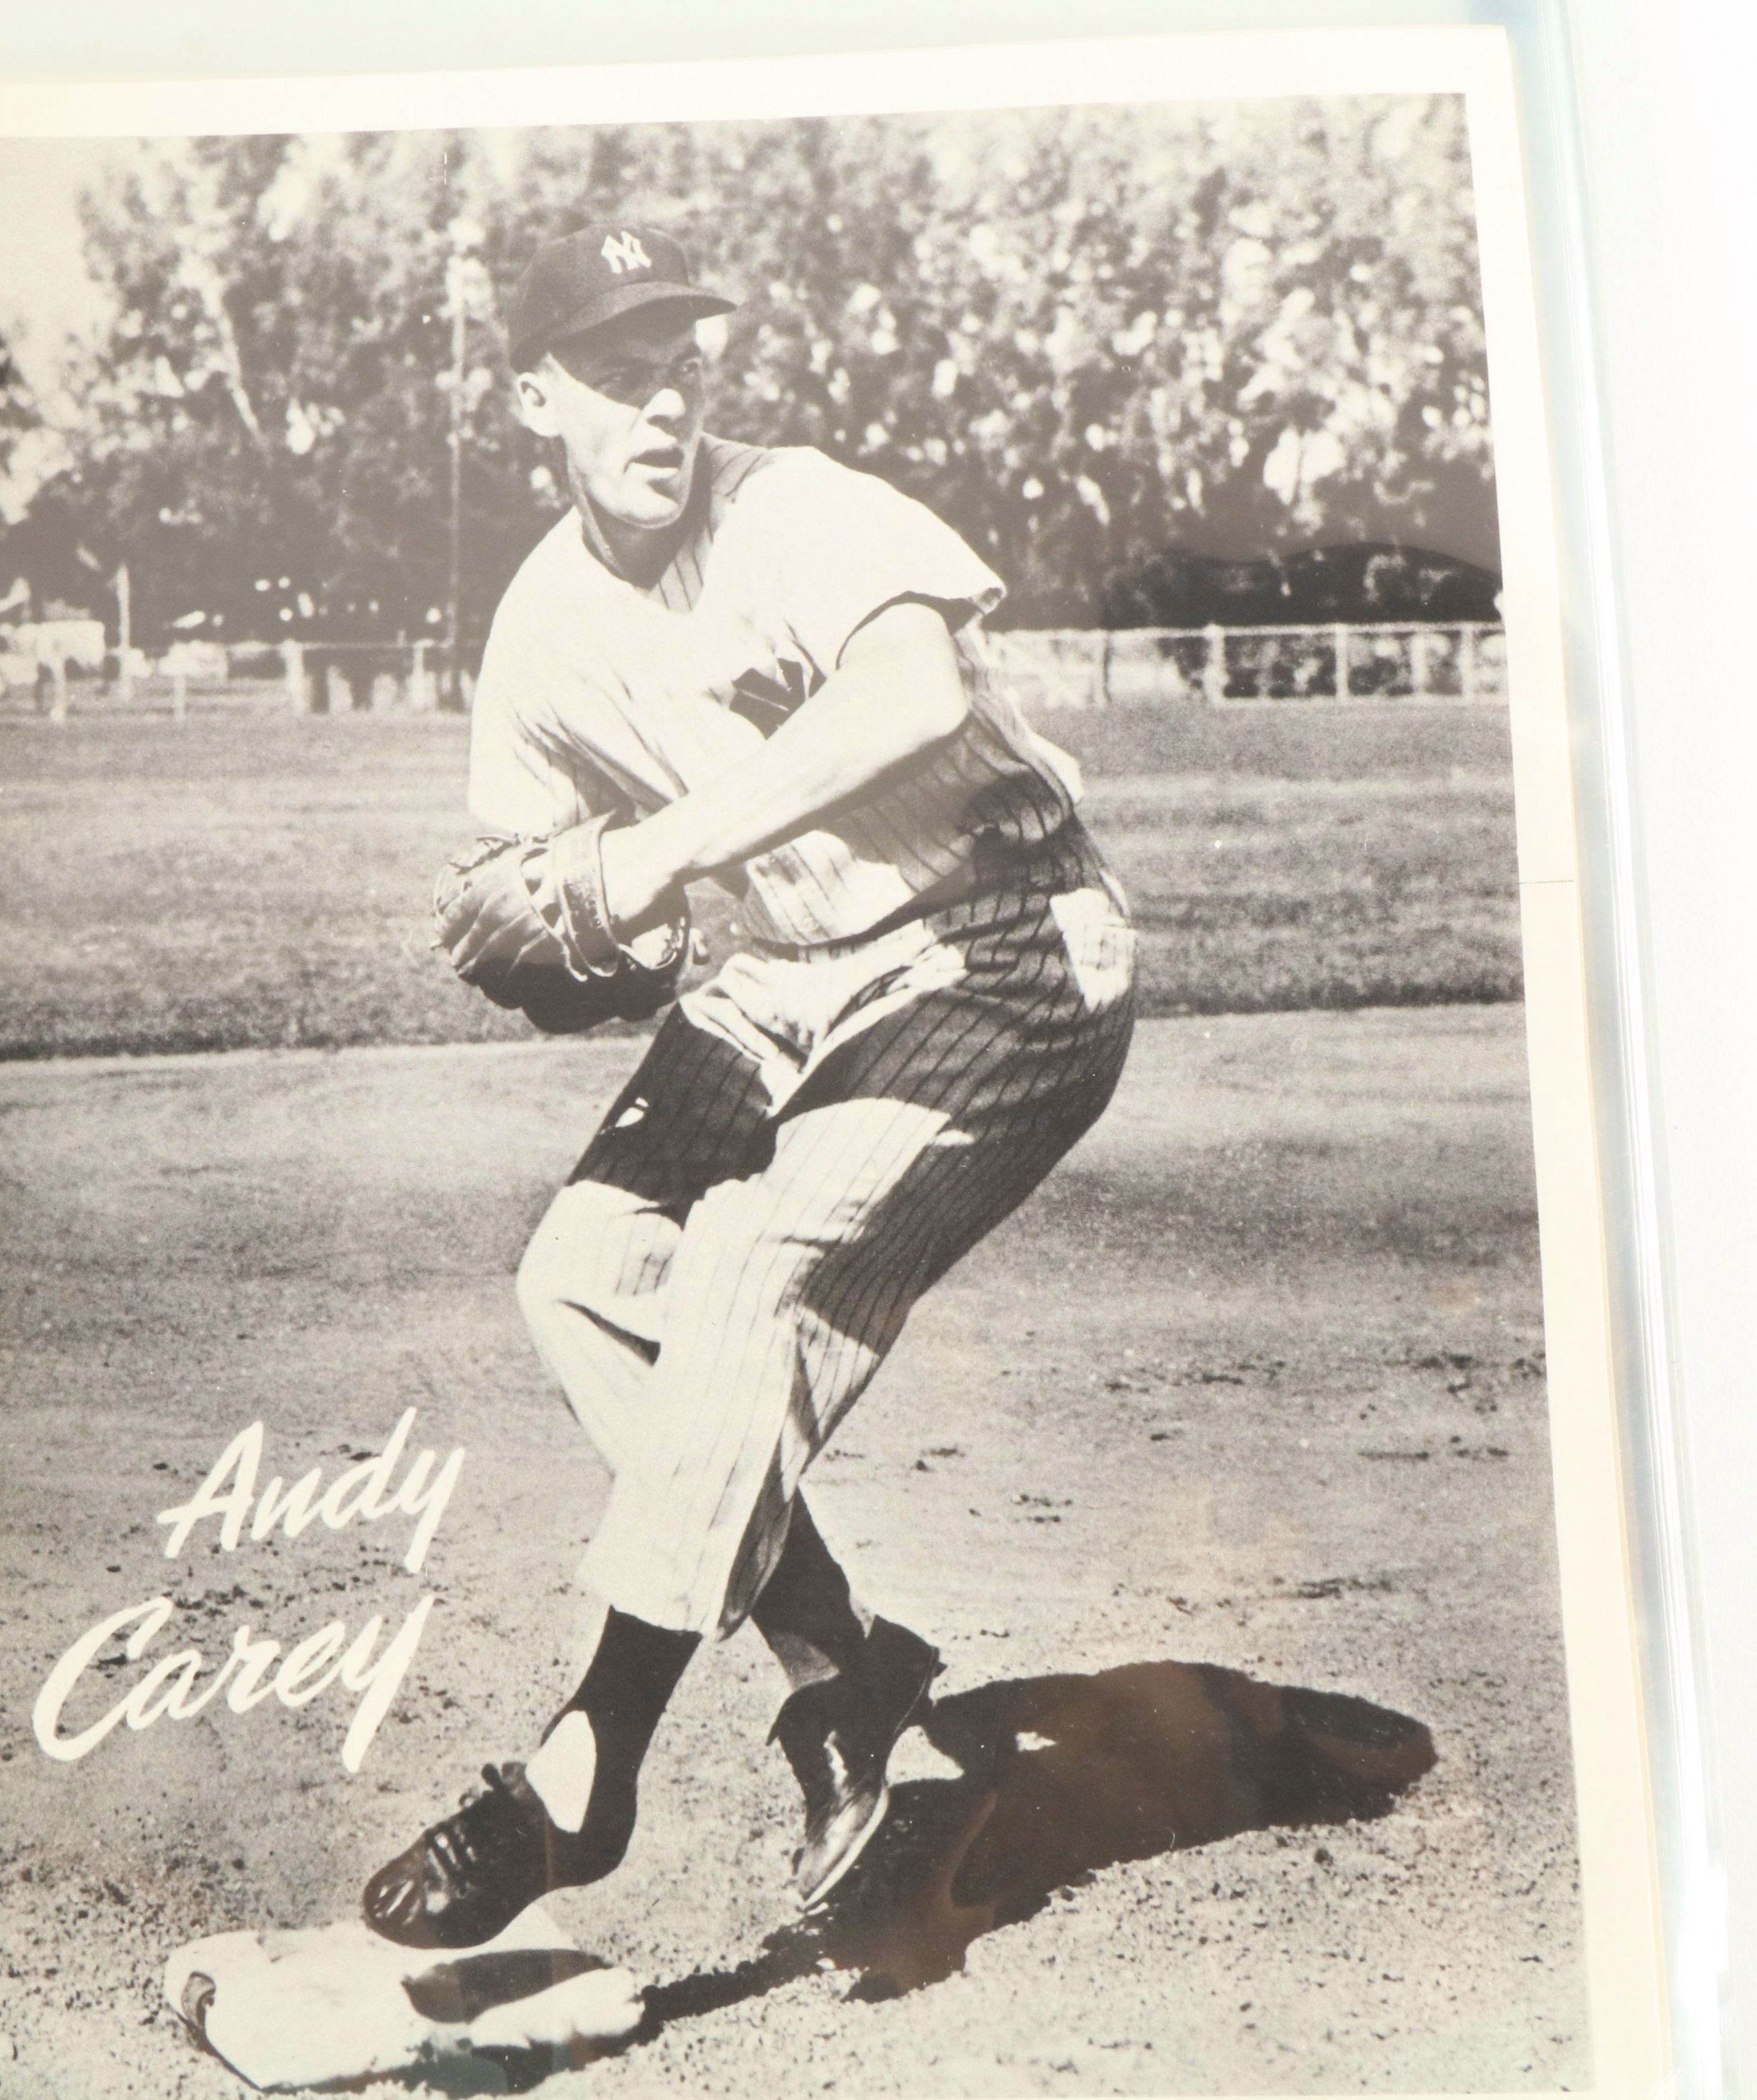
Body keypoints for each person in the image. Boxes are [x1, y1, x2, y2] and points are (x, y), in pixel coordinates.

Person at [363, 222, 1135, 1951]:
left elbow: (912, 692)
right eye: (616, 367)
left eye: (679, 359)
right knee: (579, 1276)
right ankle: (850, 1680)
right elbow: (561, 905)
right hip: (785, 982)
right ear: (530, 395)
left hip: (1002, 945)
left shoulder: (796, 508)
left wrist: (632, 871)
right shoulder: (536, 631)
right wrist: (555, 937)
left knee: (754, 1274)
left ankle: (587, 1761)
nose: (659, 396)